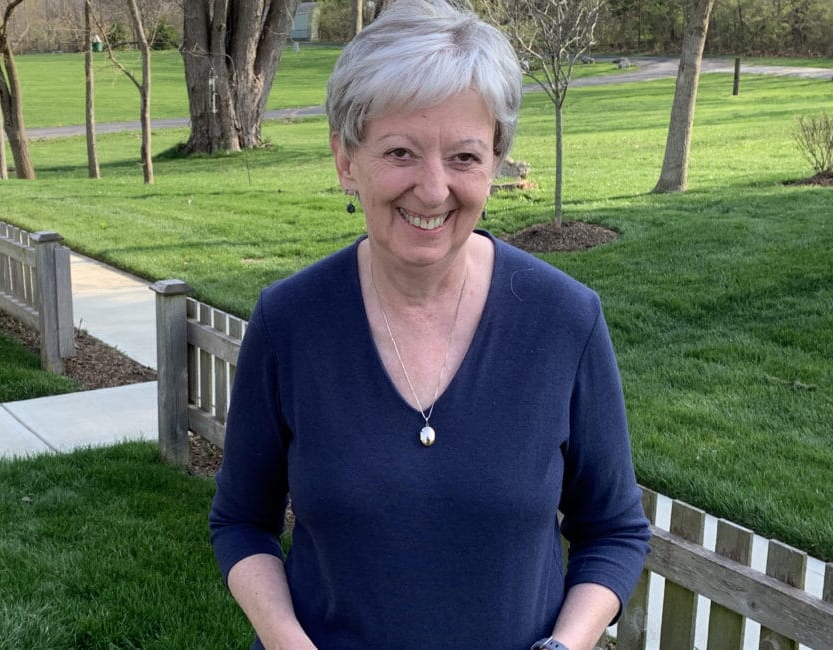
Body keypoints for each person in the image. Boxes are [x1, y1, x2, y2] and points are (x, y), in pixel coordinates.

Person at [209, 0, 651, 648]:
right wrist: (286, 640)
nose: (433, 188)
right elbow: (241, 522)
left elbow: (614, 529)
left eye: (465, 157)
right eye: (401, 152)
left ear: (496, 163)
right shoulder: (290, 323)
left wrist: (565, 644)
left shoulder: (565, 322)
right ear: (345, 159)